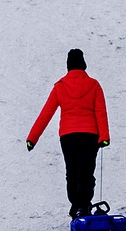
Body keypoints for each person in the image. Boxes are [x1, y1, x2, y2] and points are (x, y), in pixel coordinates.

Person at [25, 49, 111, 219]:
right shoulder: (94, 85)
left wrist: (32, 138)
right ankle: (84, 206)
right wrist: (104, 137)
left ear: (68, 65)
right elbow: (101, 112)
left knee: (72, 172)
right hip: (90, 135)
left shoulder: (60, 86)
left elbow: (46, 113)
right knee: (86, 171)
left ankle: (76, 207)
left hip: (68, 136)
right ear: (83, 64)